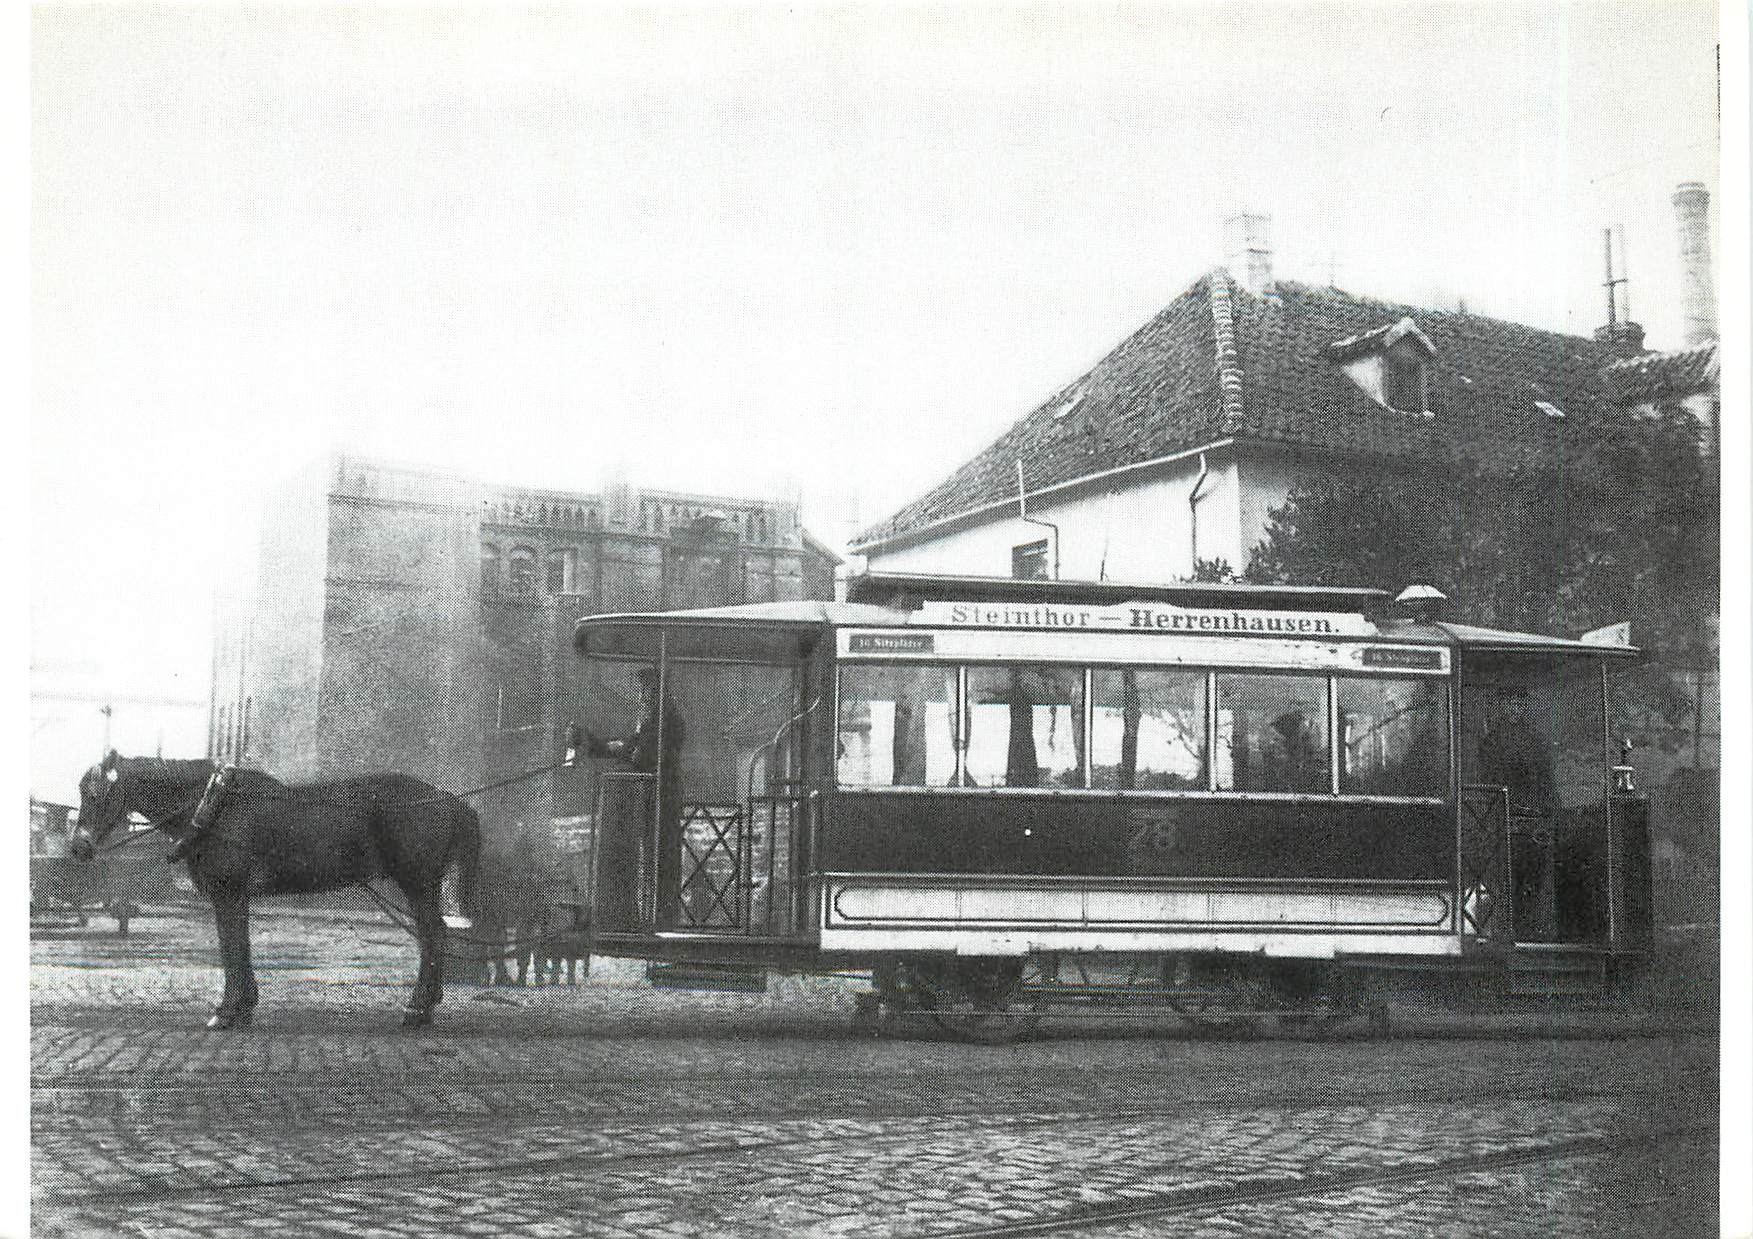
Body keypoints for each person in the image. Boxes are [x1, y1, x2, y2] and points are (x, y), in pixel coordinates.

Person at [586, 667, 687, 929]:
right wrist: (595, 744)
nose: (643, 695)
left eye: (647, 689)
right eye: (643, 689)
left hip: (661, 797)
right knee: (652, 856)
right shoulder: (653, 718)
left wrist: (620, 750)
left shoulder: (665, 719)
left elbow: (641, 754)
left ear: (658, 690)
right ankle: (649, 915)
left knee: (661, 857)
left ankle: (661, 918)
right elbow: (630, 746)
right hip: (650, 796)